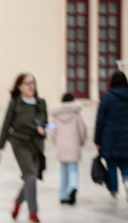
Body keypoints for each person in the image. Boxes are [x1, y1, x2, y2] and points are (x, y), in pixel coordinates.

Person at [0, 73, 48, 223]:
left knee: (31, 178)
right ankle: (33, 212)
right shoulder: (15, 104)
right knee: (30, 176)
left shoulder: (41, 103)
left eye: (33, 83)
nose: (31, 86)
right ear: (20, 87)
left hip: (36, 144)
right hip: (19, 142)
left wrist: (44, 128)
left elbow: (46, 123)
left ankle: (18, 201)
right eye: (27, 83)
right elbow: (6, 125)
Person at [95, 70, 128, 202]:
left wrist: (97, 139)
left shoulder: (107, 98)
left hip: (110, 138)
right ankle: (126, 181)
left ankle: (113, 193)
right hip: (126, 137)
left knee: (112, 167)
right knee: (126, 164)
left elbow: (100, 120)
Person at [49, 92, 87, 205]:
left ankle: (63, 196)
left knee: (63, 172)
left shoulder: (55, 116)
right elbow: (82, 131)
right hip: (74, 146)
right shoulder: (77, 115)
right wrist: (81, 142)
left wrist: (57, 142)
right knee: (73, 170)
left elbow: (52, 132)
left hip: (61, 146)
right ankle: (73, 187)